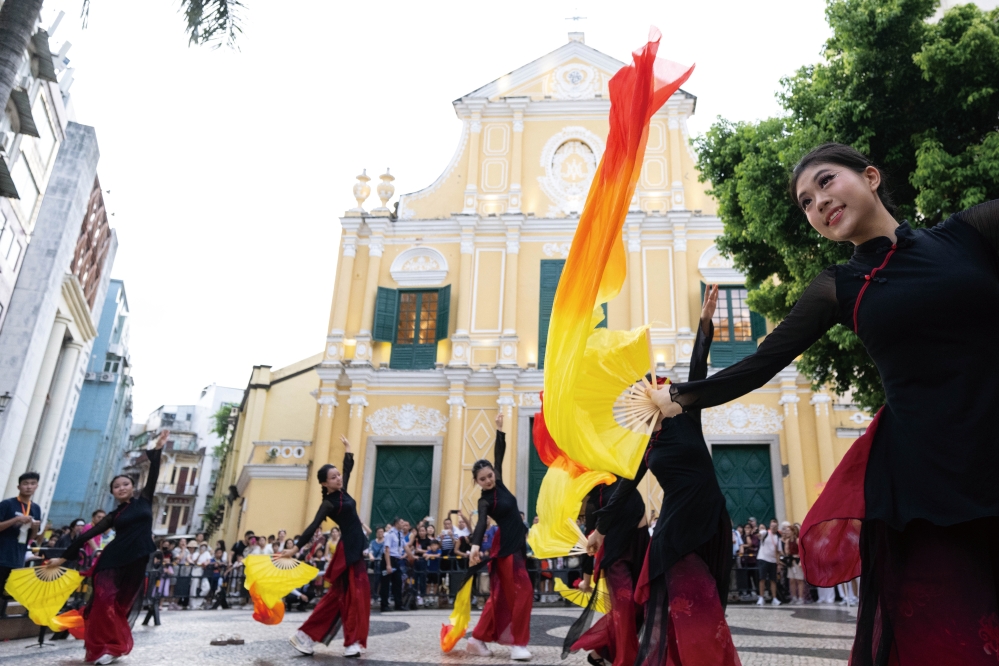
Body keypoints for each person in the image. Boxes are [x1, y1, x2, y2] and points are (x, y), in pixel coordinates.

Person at [647, 142, 999, 664]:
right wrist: (678, 396)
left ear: (872, 176)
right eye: (806, 202)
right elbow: (760, 363)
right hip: (928, 483)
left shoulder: (969, 233)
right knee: (958, 638)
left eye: (826, 182)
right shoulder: (839, 286)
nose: (818, 203)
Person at [591, 284, 739, 666]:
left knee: (707, 599)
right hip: (675, 530)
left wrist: (705, 323)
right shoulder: (645, 446)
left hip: (710, 519)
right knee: (695, 602)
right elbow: (624, 488)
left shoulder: (688, 417)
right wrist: (600, 530)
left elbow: (698, 371)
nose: (653, 392)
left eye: (654, 387)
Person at [48, 429, 169, 665]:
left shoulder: (144, 500)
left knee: (121, 606)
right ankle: (94, 650)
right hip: (111, 561)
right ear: (112, 492)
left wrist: (157, 448)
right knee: (103, 601)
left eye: (126, 484)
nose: (122, 488)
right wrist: (62, 559)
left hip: (137, 561)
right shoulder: (113, 515)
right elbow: (87, 535)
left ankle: (114, 645)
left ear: (132, 487)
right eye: (117, 486)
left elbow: (153, 472)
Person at [285, 436, 369, 658]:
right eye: (333, 477)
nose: (339, 478)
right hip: (347, 553)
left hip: (354, 549)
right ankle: (350, 643)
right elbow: (314, 525)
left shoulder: (344, 492)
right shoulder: (329, 503)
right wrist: (296, 548)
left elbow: (348, 469)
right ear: (324, 483)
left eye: (338, 475)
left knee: (340, 597)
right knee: (353, 597)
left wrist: (349, 449)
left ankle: (305, 637)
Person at [463, 412, 533, 661]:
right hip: (505, 548)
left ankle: (476, 639)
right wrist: (473, 545)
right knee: (522, 592)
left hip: (516, 545)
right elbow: (481, 524)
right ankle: (517, 644)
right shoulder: (484, 501)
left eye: (490, 475)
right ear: (477, 482)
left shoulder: (500, 482)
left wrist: (499, 429)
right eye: (482, 479)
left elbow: (499, 454)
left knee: (502, 595)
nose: (488, 480)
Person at [565, 477, 649, 666]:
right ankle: (625, 662)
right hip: (616, 559)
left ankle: (600, 653)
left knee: (640, 607)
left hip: (641, 548)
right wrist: (586, 580)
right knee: (624, 607)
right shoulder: (595, 500)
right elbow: (590, 545)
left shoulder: (624, 476)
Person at [0, 471, 42, 618]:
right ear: (19, 486)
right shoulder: (7, 504)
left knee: (7, 594)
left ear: (37, 486)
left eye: (32, 484)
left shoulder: (35, 508)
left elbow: (33, 536)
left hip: (18, 557)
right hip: (2, 554)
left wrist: (35, 526)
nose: (29, 487)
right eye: (25, 484)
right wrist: (15, 520)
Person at [381, 517, 406, 612]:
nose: (403, 524)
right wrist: (388, 565)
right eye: (402, 522)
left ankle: (398, 604)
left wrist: (411, 556)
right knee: (386, 584)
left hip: (396, 559)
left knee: (398, 582)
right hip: (388, 559)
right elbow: (387, 550)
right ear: (396, 523)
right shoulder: (390, 534)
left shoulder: (400, 534)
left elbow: (405, 546)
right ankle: (384, 605)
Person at [756, 524, 782, 606]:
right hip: (763, 559)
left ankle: (774, 598)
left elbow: (778, 552)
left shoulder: (778, 538)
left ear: (777, 528)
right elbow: (759, 535)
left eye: (775, 526)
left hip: (773, 561)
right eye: (772, 526)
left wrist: (778, 563)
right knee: (762, 579)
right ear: (770, 527)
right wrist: (758, 533)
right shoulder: (765, 533)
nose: (773, 527)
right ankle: (761, 597)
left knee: (773, 580)